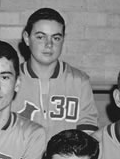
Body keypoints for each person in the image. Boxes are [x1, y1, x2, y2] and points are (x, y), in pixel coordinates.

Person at [12, 8, 100, 137]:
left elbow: (88, 129)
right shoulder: (10, 80)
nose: (49, 44)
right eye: (41, 37)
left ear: (63, 39)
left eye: (56, 38)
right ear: (27, 38)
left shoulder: (79, 81)